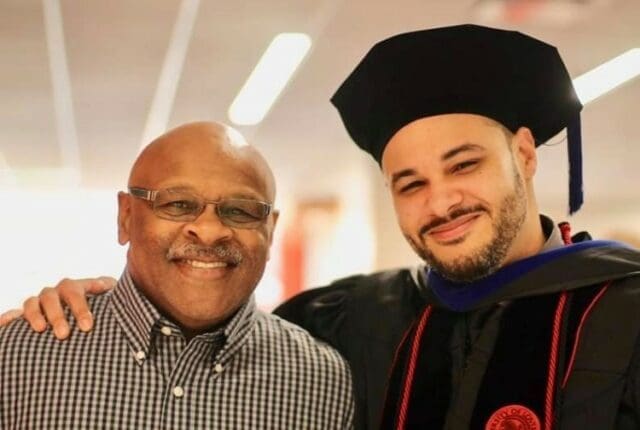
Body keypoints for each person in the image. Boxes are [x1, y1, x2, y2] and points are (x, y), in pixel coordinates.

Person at [3, 24, 640, 429]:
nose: (441, 202)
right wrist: (81, 300)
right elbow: (201, 311)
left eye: (464, 165)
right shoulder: (353, 317)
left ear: (524, 156)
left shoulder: (627, 313)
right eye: (410, 183)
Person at [0, 121, 354, 429]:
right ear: (125, 217)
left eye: (241, 211)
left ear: (271, 230)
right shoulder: (17, 357)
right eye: (178, 204)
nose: (210, 231)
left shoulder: (325, 383)